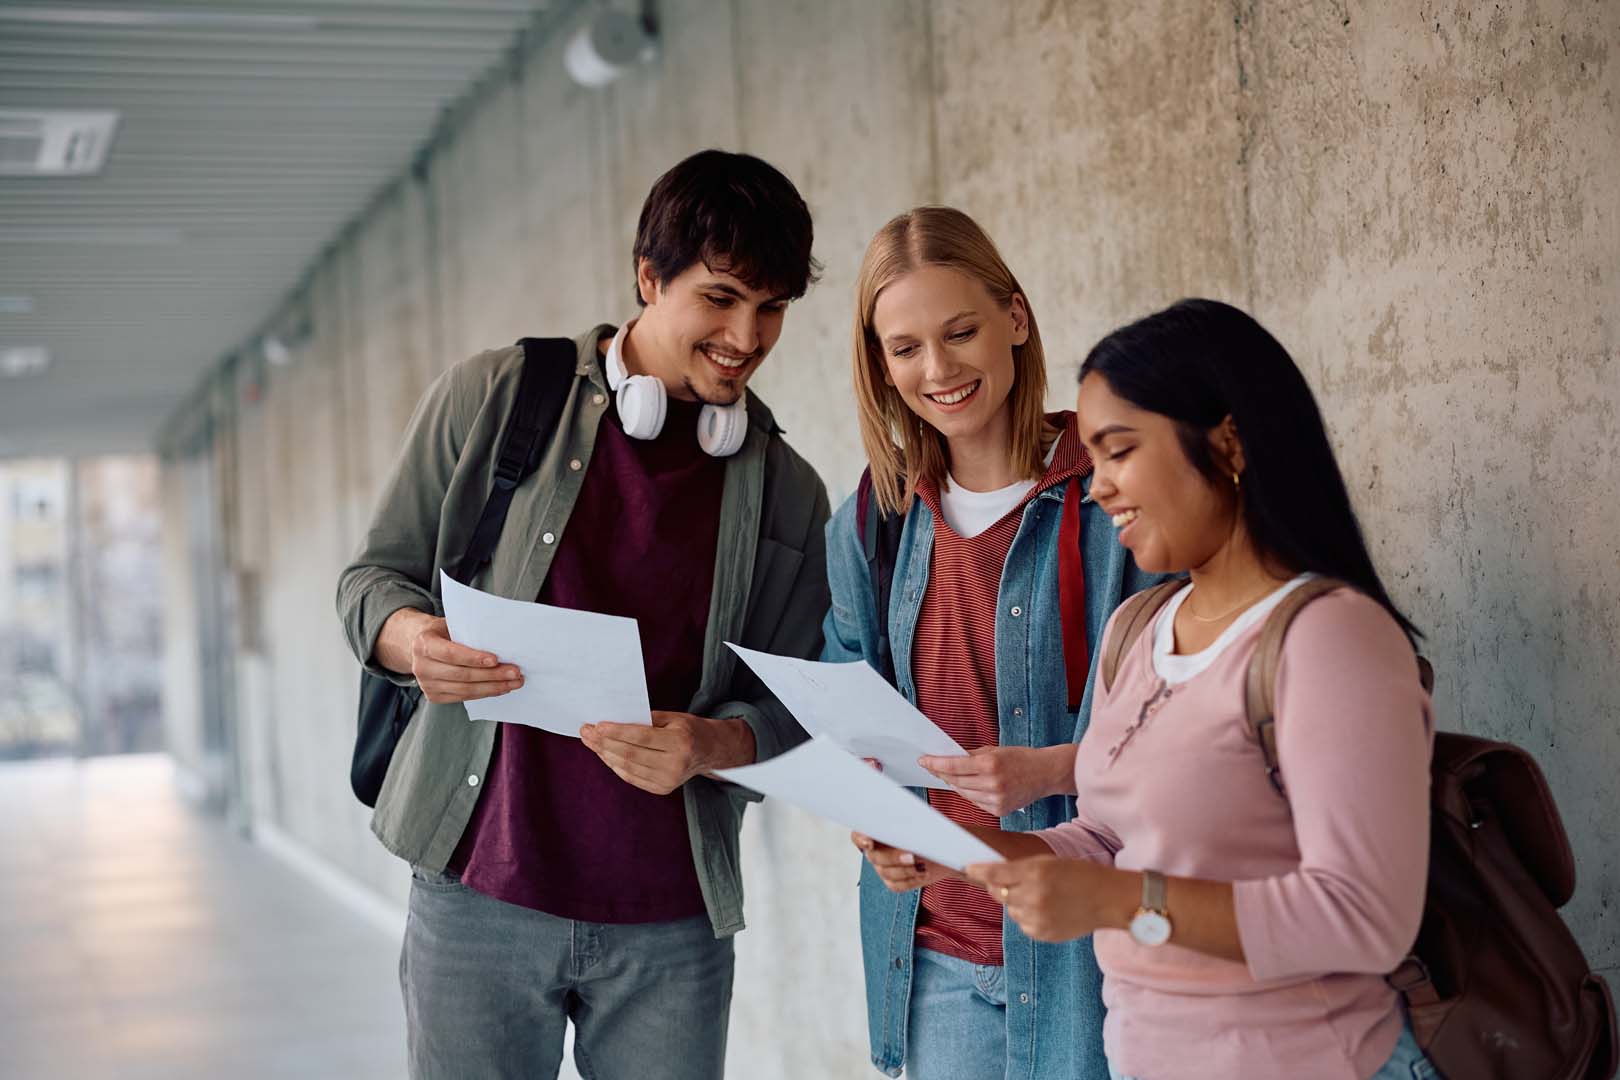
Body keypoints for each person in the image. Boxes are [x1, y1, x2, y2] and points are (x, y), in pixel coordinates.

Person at [334, 149, 830, 1080]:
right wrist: (419, 644)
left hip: (672, 924)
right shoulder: (495, 397)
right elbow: (371, 581)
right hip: (480, 890)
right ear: (649, 276)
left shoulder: (789, 493)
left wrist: (710, 745)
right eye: (720, 299)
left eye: (771, 310)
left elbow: (794, 707)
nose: (747, 336)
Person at [955, 299, 1438, 1080]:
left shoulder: (1330, 637)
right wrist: (961, 851)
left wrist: (1118, 904)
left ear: (1228, 440)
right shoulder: (1138, 630)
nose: (1099, 487)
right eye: (1093, 460)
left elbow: (1365, 918)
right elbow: (1111, 840)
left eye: (1118, 452)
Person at [822, 206, 1162, 1080]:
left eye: (961, 331)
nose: (938, 370)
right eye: (904, 349)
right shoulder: (876, 518)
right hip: (933, 959)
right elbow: (845, 711)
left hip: (1093, 955)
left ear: (1015, 318)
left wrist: (1054, 770)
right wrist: (873, 822)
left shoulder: (1114, 492)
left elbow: (1196, 721)